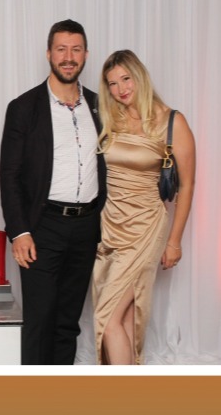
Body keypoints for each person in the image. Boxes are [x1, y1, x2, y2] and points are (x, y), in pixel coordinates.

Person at [0, 20, 107, 365]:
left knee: (67, 322)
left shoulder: (100, 106)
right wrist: (19, 231)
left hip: (86, 228)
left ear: (86, 55)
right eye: (61, 49)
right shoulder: (24, 107)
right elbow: (9, 175)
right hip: (42, 227)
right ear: (49, 53)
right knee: (40, 321)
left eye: (76, 49)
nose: (68, 57)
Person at [90, 50, 195, 365]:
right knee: (122, 318)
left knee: (107, 317)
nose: (120, 89)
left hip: (145, 226)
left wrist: (174, 241)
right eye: (112, 83)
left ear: (140, 77)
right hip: (108, 227)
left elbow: (187, 185)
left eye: (126, 79)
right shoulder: (111, 119)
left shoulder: (172, 121)